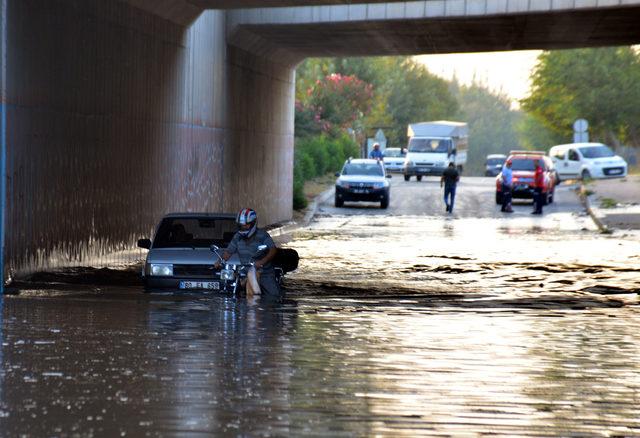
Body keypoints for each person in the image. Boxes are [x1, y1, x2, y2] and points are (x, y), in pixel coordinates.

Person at [217, 208, 280, 300]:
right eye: (241, 226)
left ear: (253, 223)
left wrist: (262, 262)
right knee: (231, 292)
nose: (243, 227)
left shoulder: (262, 235)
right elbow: (228, 251)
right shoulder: (237, 237)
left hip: (264, 273)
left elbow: (273, 250)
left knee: (273, 297)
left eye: (246, 225)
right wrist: (220, 261)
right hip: (244, 273)